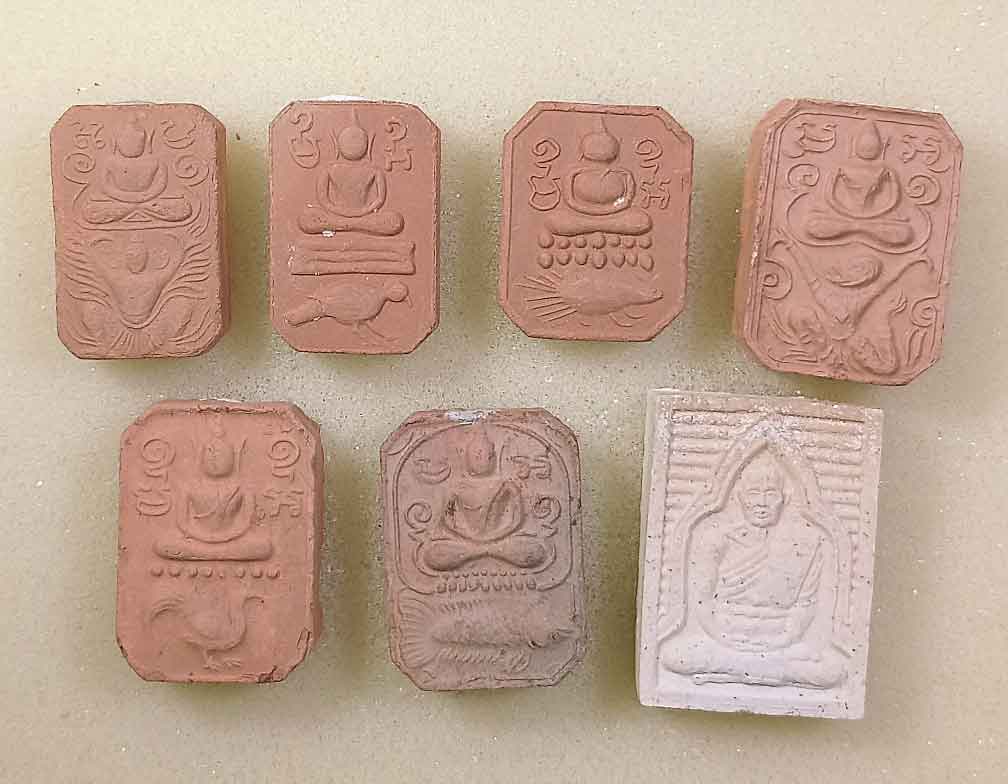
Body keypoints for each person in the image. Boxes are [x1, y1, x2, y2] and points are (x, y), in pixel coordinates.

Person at [661, 450, 847, 688]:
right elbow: (702, 599)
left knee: (833, 669)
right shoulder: (717, 539)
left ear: (785, 498)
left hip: (780, 643)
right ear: (740, 498)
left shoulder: (806, 545)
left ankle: (743, 669)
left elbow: (806, 604)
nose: (762, 502)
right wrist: (724, 638)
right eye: (754, 493)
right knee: (673, 655)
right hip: (724, 640)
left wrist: (783, 639)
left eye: (771, 494)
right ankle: (770, 671)